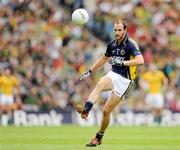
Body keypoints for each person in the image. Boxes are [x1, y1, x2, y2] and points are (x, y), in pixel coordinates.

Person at [76, 20, 144, 147]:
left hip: (126, 81)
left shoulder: (131, 44)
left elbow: (140, 60)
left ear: (125, 30)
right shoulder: (112, 44)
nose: (117, 33)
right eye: (115, 30)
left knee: (106, 111)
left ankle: (98, 137)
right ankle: (86, 109)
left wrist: (122, 63)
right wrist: (90, 71)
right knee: (100, 83)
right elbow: (104, 58)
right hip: (114, 74)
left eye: (119, 30)